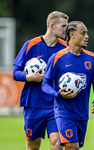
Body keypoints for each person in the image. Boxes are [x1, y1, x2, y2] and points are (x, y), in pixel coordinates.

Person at [41, 21, 94, 150]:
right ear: (72, 35)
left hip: (82, 114)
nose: (87, 36)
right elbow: (45, 84)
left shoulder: (92, 58)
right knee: (72, 147)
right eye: (83, 33)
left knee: (73, 147)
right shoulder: (57, 57)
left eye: (87, 33)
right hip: (64, 112)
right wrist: (58, 94)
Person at [12, 11, 69, 150]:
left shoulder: (65, 49)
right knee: (33, 147)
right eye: (63, 26)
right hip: (33, 103)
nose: (66, 30)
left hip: (55, 104)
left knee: (57, 144)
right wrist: (29, 77)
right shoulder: (30, 45)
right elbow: (15, 73)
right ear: (52, 25)